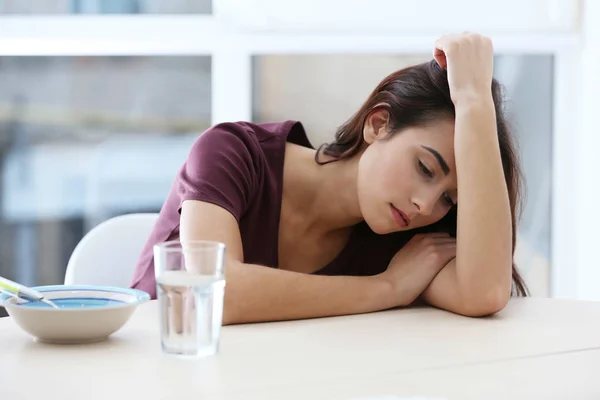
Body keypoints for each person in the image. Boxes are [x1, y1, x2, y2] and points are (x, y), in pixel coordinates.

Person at [131, 32, 528, 325]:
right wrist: (386, 289)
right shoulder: (233, 152)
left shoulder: (401, 241)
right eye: (425, 168)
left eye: (448, 200)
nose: (427, 205)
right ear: (378, 123)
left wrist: (476, 101)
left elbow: (485, 292)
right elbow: (212, 293)